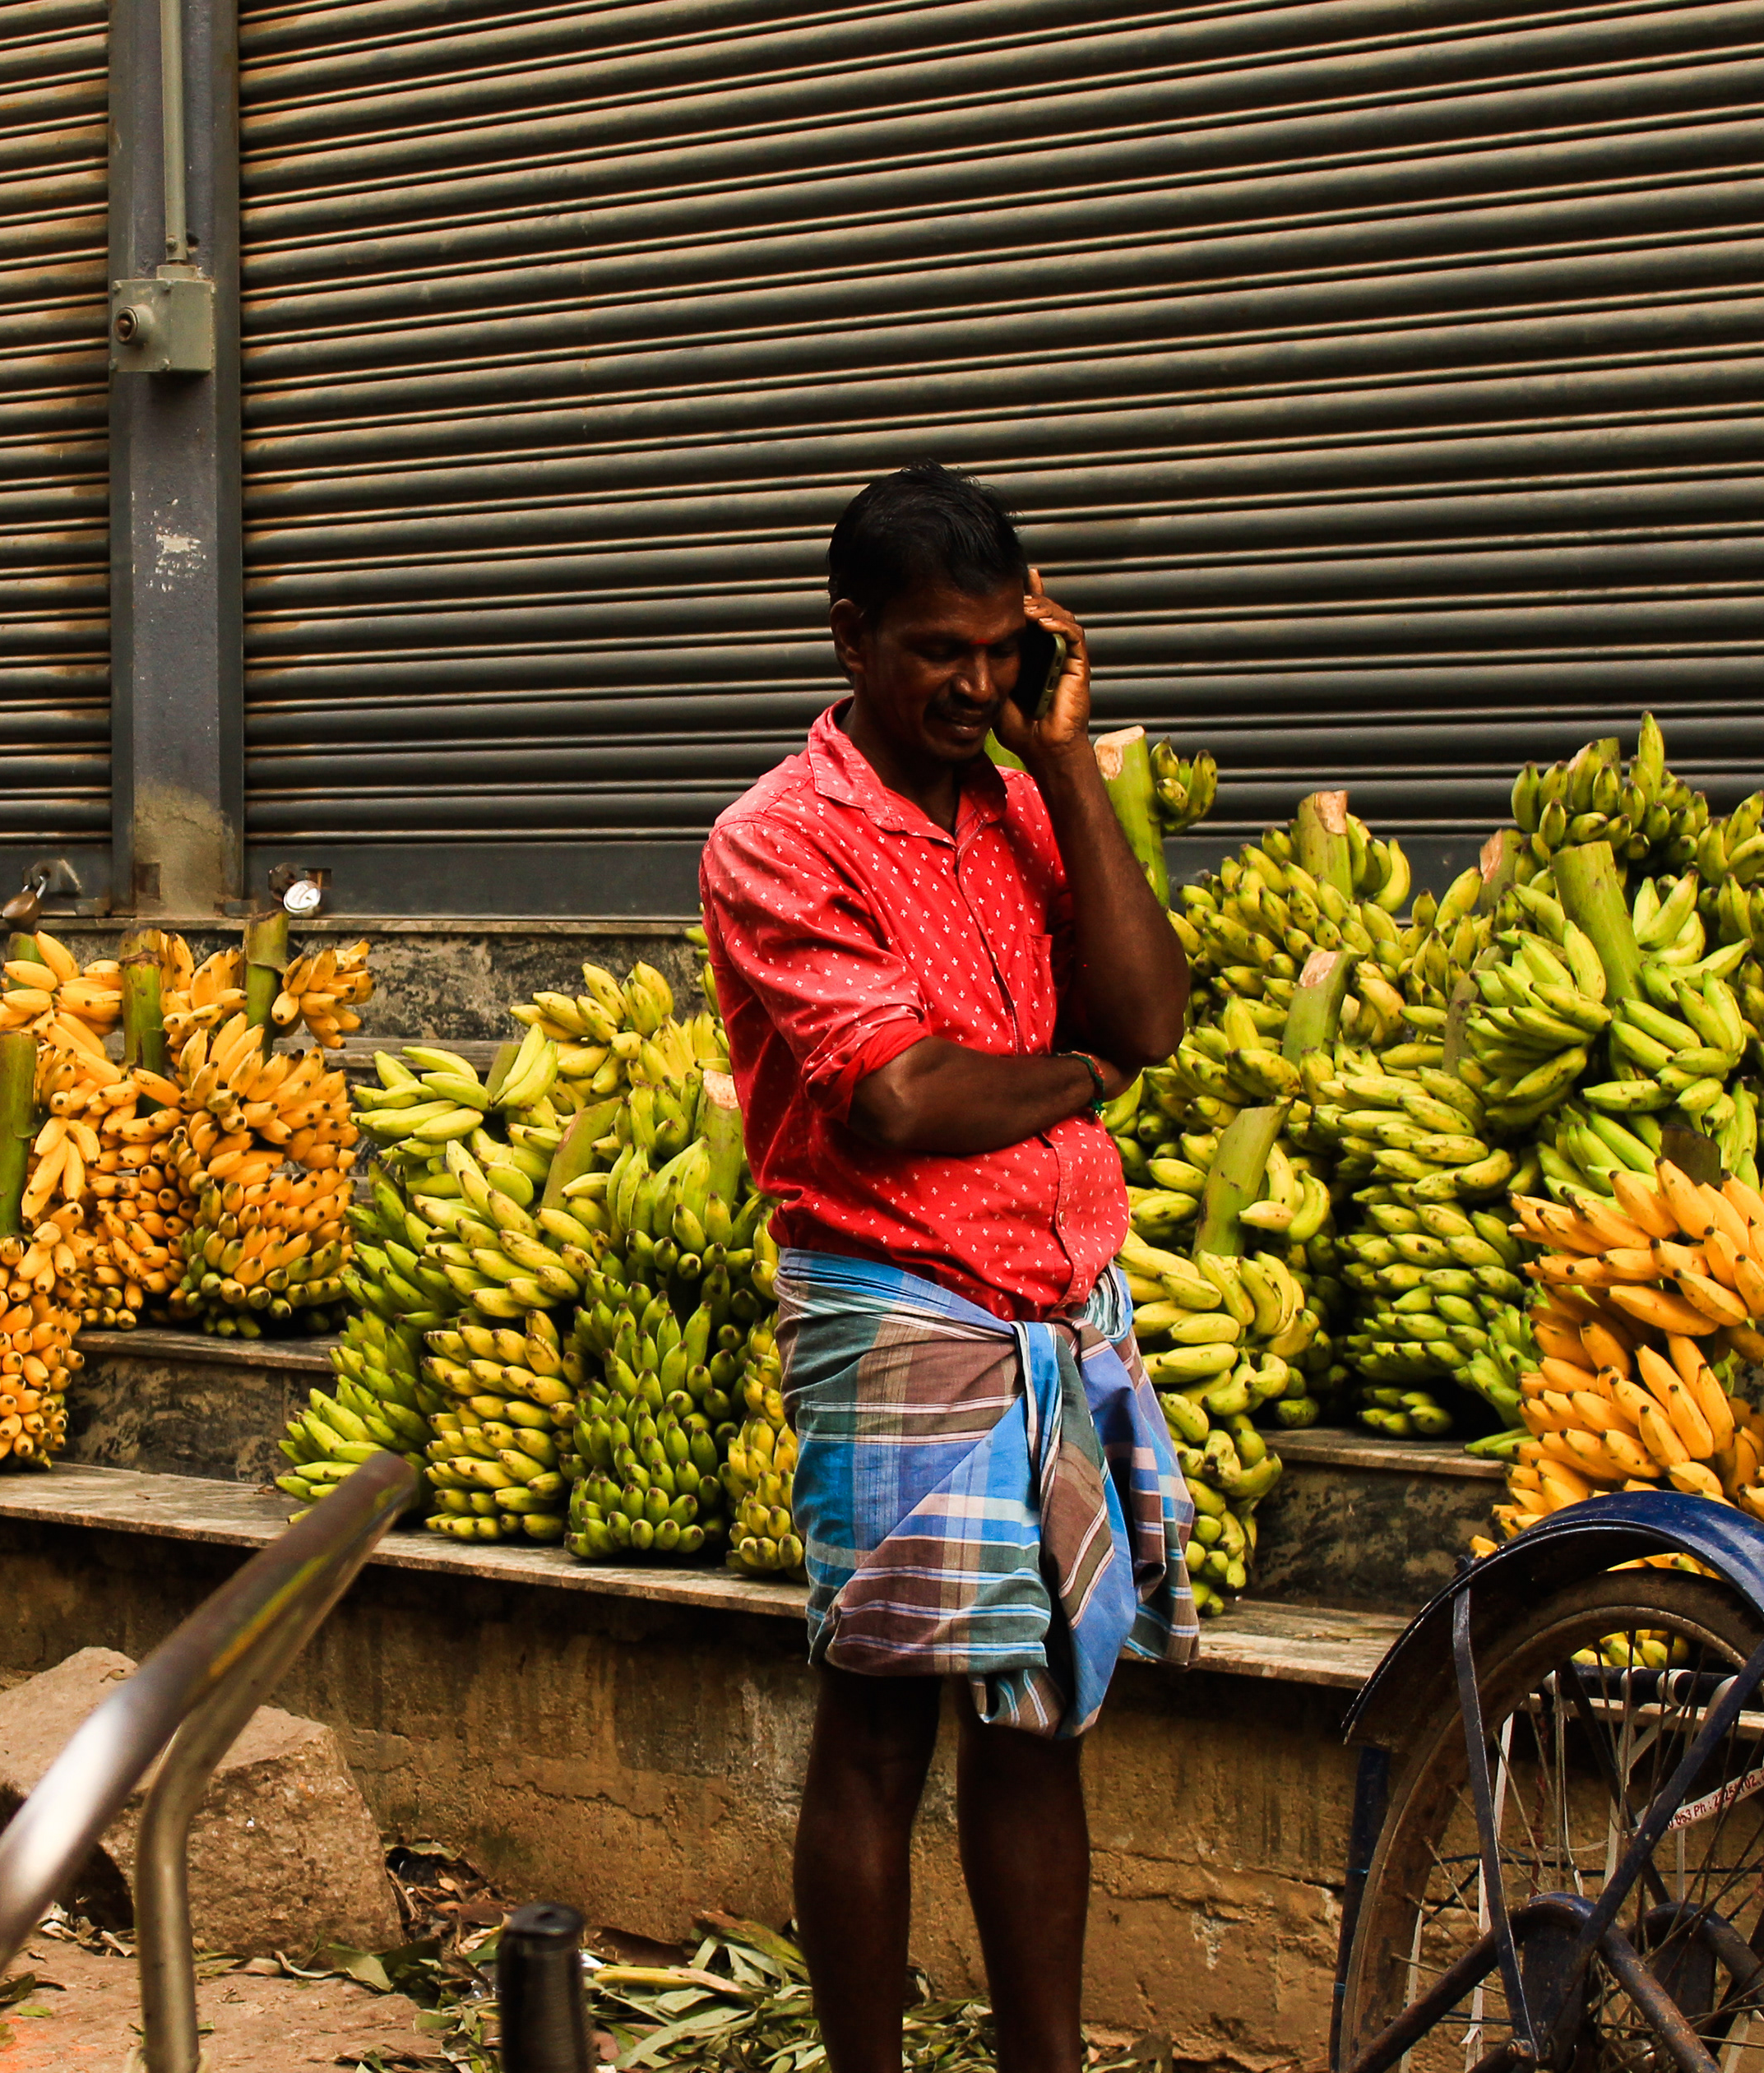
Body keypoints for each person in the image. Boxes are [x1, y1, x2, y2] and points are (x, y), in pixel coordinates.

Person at [697, 462, 1196, 2073]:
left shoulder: (1023, 801)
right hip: (903, 1306)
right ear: (851, 638)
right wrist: (1087, 1070)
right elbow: (903, 1099)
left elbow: (1151, 1008)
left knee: (1040, 1723)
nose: (975, 686)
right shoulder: (780, 840)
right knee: (879, 1726)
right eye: (939, 652)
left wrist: (1067, 757)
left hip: (1061, 1303)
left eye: (1001, 650)